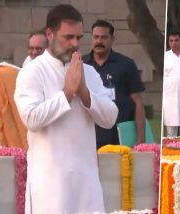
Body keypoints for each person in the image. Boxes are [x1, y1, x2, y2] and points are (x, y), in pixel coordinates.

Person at [14, 4, 118, 213]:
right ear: (49, 34)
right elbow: (31, 118)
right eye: (68, 37)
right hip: (50, 185)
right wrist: (67, 94)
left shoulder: (87, 72)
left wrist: (85, 93)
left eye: (79, 38)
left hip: (86, 181)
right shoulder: (32, 72)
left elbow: (110, 117)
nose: (74, 44)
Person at [83, 20, 145, 149]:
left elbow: (138, 102)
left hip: (119, 136)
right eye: (96, 37)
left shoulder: (126, 65)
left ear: (112, 39)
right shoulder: (81, 65)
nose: (99, 41)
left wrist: (141, 138)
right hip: (89, 135)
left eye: (104, 37)